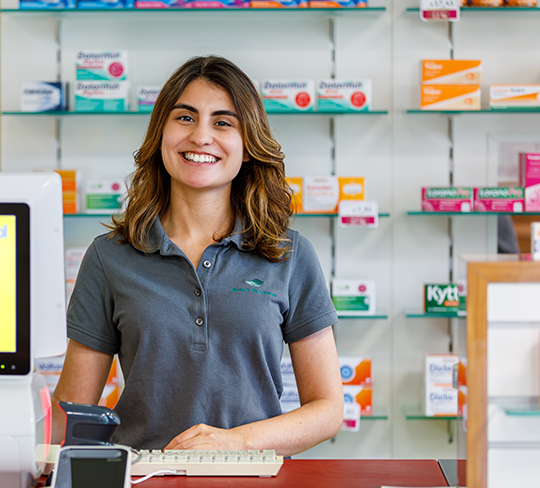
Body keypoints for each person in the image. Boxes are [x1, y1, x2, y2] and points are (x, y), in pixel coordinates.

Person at [51, 55, 343, 456]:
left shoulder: (288, 254)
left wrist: (237, 441)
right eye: (185, 118)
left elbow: (327, 409)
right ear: (161, 134)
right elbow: (71, 411)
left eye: (223, 123)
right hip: (143, 474)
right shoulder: (110, 257)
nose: (201, 136)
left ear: (247, 146)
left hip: (251, 475)